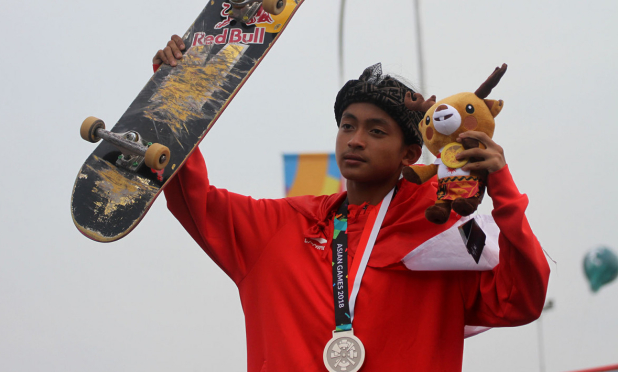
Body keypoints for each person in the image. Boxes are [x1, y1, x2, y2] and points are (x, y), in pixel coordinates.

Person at [152, 35, 550, 372]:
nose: (355, 140)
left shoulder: (442, 232)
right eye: (347, 125)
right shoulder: (283, 226)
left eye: (376, 131)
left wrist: (500, 187)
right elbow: (192, 196)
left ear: (410, 154)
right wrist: (174, 97)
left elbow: (521, 299)